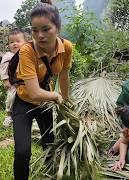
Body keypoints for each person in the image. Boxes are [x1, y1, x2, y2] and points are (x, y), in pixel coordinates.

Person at [12, 0, 73, 179]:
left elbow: (63, 75)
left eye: (46, 29)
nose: (39, 35)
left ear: (58, 28)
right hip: (24, 102)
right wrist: (56, 96)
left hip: (45, 104)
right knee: (22, 151)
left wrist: (66, 102)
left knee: (49, 143)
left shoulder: (66, 47)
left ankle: (49, 174)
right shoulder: (26, 51)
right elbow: (33, 92)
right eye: (34, 30)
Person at [0, 29, 26, 127]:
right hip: (13, 83)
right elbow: (3, 68)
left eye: (18, 41)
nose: (14, 44)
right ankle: (8, 115)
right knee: (11, 97)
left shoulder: (26, 54)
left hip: (26, 82)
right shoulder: (8, 56)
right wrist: (6, 80)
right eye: (11, 42)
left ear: (24, 42)